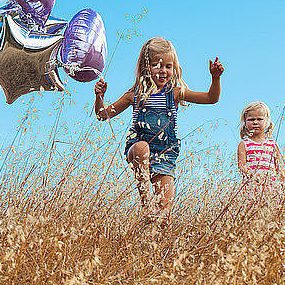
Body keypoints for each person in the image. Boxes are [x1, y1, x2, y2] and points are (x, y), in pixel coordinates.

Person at [94, 37, 224, 217]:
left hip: (165, 154)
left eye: (168, 67)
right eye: (157, 65)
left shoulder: (175, 94)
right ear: (146, 68)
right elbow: (103, 115)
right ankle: (147, 203)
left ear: (174, 68)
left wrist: (215, 78)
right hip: (139, 149)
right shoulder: (134, 96)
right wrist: (99, 96)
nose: (163, 71)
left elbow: (211, 98)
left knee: (164, 215)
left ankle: (160, 235)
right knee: (142, 147)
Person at [237, 101, 285, 201]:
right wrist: (254, 176)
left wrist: (283, 185)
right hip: (252, 187)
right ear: (245, 122)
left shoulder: (272, 144)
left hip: (272, 188)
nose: (255, 122)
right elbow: (242, 166)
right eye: (251, 119)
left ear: (267, 122)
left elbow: (279, 167)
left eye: (259, 119)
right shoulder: (244, 144)